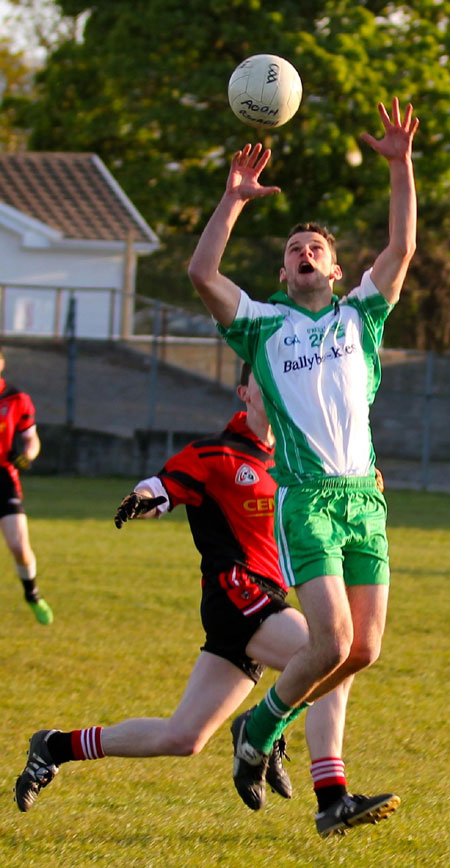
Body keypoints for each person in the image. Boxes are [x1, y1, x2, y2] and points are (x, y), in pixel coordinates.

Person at [187, 98, 418, 836]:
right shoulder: (262, 326)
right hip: (309, 501)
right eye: (292, 249)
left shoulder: (362, 317)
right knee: (326, 642)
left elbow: (403, 247)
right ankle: (265, 742)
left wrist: (400, 164)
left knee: (364, 650)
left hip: (365, 500)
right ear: (284, 274)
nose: (304, 252)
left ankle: (262, 730)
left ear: (338, 268)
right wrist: (231, 199)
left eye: (315, 246)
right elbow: (201, 271)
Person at [15, 364, 313, 815]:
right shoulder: (215, 453)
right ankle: (259, 730)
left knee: (183, 737)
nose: (273, 384)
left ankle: (55, 747)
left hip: (266, 602)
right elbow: (163, 487)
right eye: (262, 377)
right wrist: (143, 499)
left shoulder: (295, 461)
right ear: (243, 393)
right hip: (237, 593)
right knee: (324, 652)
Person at [0, 347, 53, 625]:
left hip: (3, 478)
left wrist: (27, 456)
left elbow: (31, 440)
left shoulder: (17, 398)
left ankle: (32, 595)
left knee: (19, 545)